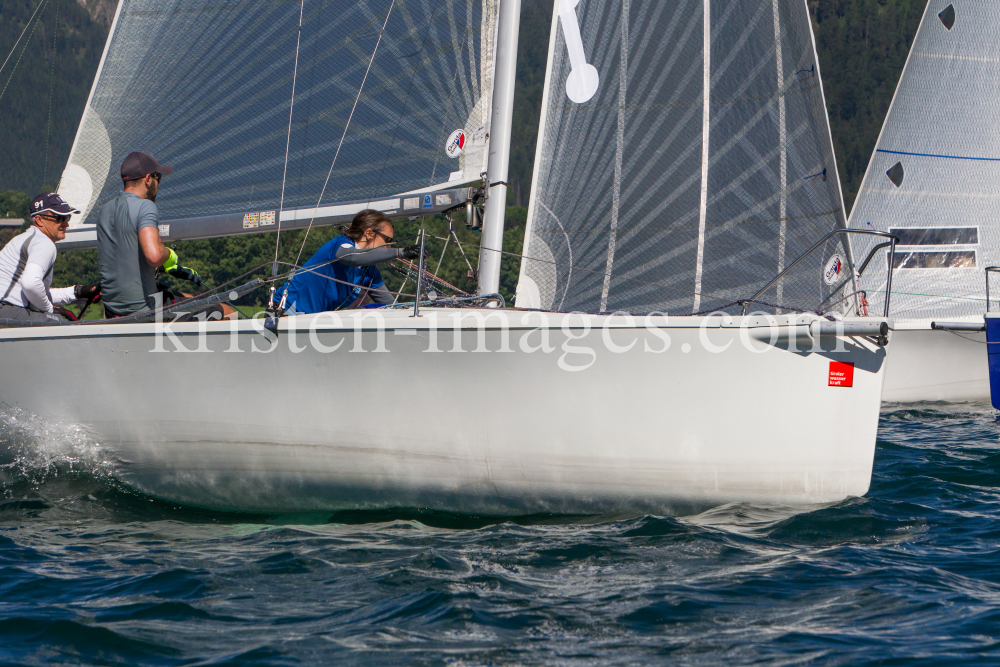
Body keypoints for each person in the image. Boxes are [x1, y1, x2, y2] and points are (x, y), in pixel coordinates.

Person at [96, 151, 233, 320]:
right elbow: (154, 256)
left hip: (113, 310)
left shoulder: (104, 211)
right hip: (146, 311)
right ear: (147, 179)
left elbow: (124, 255)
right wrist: (169, 256)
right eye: (158, 178)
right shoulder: (145, 206)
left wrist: (164, 267)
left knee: (188, 297)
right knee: (227, 312)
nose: (159, 186)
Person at [276, 209, 420, 314]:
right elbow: (353, 258)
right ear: (369, 233)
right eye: (388, 240)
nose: (389, 246)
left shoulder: (369, 272)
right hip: (286, 312)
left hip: (311, 321)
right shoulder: (340, 245)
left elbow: (390, 305)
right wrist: (399, 252)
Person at [0, 193, 100, 324]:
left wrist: (78, 291)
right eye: (59, 218)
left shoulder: (21, 239)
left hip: (6, 309)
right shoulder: (44, 242)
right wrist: (50, 310)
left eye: (67, 217)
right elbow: (31, 284)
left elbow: (38, 291)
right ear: (39, 220)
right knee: (66, 326)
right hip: (7, 310)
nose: (66, 224)